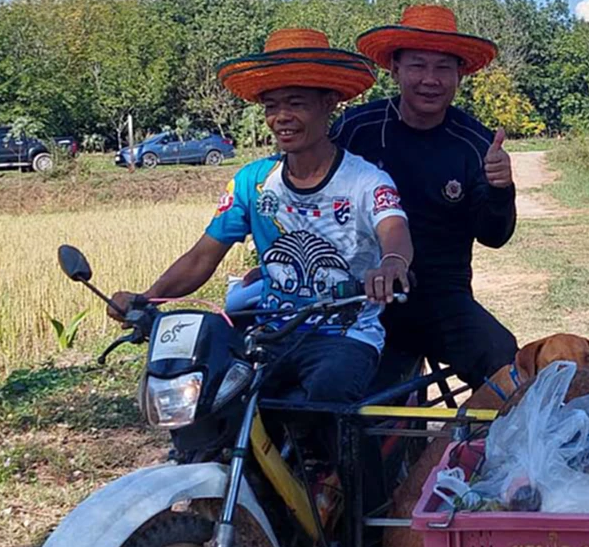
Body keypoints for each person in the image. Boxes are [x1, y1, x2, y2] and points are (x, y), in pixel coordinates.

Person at [109, 28, 414, 406]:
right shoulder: (251, 182)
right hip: (271, 333)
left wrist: (392, 264)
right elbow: (202, 257)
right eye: (271, 106)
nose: (281, 117)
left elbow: (394, 229)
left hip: (344, 335)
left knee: (325, 398)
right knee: (216, 399)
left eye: (296, 103)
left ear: (329, 103)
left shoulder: (366, 181)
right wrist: (147, 298)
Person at [332, 5, 518, 387]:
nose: (430, 80)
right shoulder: (355, 129)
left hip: (442, 298)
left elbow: (494, 236)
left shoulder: (476, 142)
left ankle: (484, 429)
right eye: (417, 66)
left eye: (443, 68)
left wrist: (501, 189)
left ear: (459, 74)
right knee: (341, 392)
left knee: (505, 361)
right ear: (395, 68)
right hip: (361, 294)